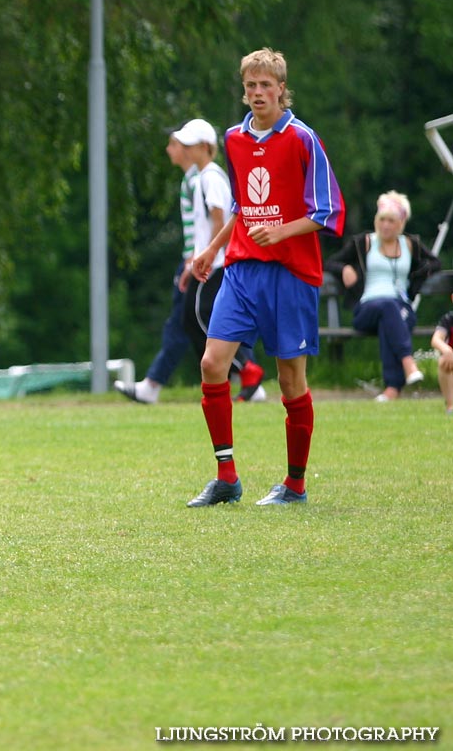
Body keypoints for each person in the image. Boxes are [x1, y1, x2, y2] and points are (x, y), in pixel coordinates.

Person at [185, 47, 343, 508]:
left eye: (265, 86)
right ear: (244, 90)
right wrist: (211, 251)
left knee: (291, 380)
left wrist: (281, 231)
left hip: (291, 274)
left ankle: (294, 485)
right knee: (212, 364)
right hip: (240, 270)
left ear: (280, 90)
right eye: (251, 86)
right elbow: (240, 206)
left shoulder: (302, 138)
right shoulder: (234, 139)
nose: (258, 93)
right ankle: (226, 478)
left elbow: (327, 210)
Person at [115, 120, 265, 405]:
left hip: (214, 263)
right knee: (193, 320)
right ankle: (236, 373)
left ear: (205, 147)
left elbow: (220, 220)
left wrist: (207, 255)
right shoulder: (202, 177)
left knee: (200, 320)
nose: (184, 148)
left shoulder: (210, 178)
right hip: (204, 261)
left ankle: (245, 369)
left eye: (190, 144)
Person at [324, 191, 439, 402]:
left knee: (391, 317)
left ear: (401, 222)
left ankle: (392, 390)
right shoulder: (364, 243)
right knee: (388, 308)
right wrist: (344, 270)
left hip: (401, 306)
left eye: (391, 221)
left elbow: (434, 263)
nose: (386, 225)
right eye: (382, 220)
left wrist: (417, 277)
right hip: (367, 307)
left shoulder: (410, 244)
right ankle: (408, 363)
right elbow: (330, 262)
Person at [432, 294, 453, 416]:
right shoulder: (448, 319)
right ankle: (451, 406)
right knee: (444, 361)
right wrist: (447, 350)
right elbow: (436, 340)